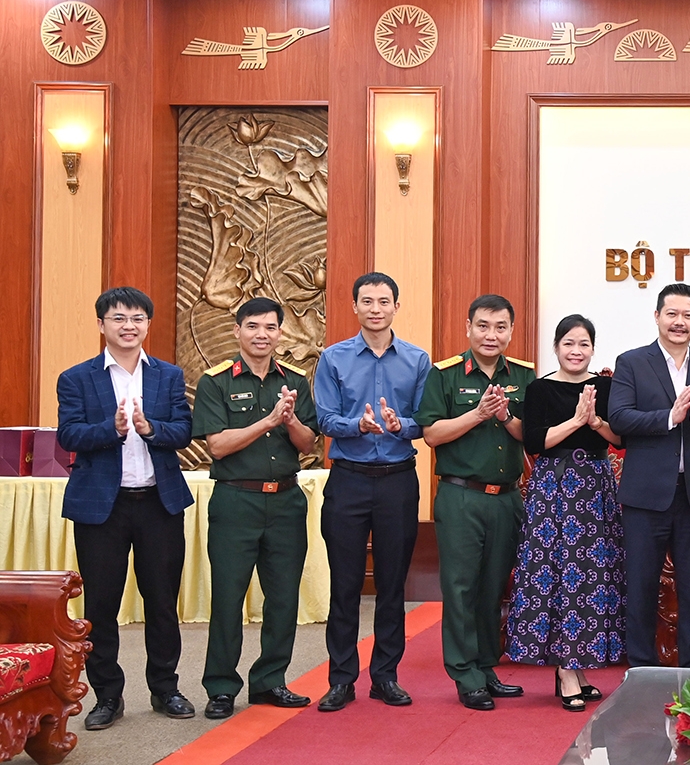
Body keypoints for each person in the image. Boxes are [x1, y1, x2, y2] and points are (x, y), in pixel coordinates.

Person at [56, 286, 196, 728]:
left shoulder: (168, 376)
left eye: (137, 318)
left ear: (148, 325)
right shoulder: (76, 378)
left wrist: (151, 429)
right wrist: (112, 429)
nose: (128, 326)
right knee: (101, 605)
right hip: (103, 508)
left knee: (162, 602)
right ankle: (107, 697)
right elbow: (68, 435)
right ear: (102, 324)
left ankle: (166, 688)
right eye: (118, 318)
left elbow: (183, 430)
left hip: (158, 504)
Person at [192, 297, 319, 719]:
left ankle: (270, 681)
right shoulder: (215, 381)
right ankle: (221, 687)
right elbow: (217, 445)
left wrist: (290, 419)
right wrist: (267, 420)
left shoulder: (295, 380)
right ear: (237, 331)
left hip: (285, 500)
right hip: (236, 500)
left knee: (283, 597)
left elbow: (308, 443)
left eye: (270, 327)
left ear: (280, 333)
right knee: (228, 597)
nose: (261, 334)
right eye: (252, 326)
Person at [312, 273, 432, 712]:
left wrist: (403, 425)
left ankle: (385, 676)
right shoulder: (333, 358)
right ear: (355, 307)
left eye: (384, 301)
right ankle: (341, 679)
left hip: (398, 480)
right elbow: (324, 418)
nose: (376, 308)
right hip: (348, 480)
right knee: (344, 585)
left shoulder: (417, 360)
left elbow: (426, 419)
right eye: (367, 301)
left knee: (392, 584)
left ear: (396, 306)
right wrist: (355, 425)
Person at [417, 294, 536, 710]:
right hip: (461, 496)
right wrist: (478, 414)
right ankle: (465, 673)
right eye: (483, 326)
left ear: (511, 331)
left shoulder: (524, 375)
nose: (491, 335)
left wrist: (505, 416)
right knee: (461, 586)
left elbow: (530, 435)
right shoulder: (444, 374)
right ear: (468, 327)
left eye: (500, 327)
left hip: (506, 498)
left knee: (492, 587)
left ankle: (486, 667)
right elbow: (431, 434)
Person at [507, 313, 625, 712]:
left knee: (593, 577)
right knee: (558, 574)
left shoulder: (605, 387)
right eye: (569, 343)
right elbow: (534, 442)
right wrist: (576, 421)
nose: (576, 351)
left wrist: (596, 421)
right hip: (554, 489)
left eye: (584, 344)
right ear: (556, 347)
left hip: (595, 487)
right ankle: (566, 669)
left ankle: (578, 666)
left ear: (593, 348)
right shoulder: (539, 388)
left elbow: (618, 438)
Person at [609, 283, 690, 668]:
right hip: (645, 497)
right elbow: (619, 418)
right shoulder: (632, 362)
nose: (680, 322)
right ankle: (641, 669)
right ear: (657, 316)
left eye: (687, 315)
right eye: (672, 314)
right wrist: (669, 417)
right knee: (641, 586)